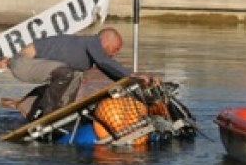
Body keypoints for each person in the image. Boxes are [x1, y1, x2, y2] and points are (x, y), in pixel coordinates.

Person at [9, 28, 144, 119]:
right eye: (115, 49)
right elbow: (104, 62)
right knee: (66, 74)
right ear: (106, 41)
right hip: (23, 63)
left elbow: (108, 69)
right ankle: (46, 113)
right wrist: (132, 75)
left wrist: (129, 82)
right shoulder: (93, 42)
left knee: (76, 76)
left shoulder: (86, 52)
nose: (114, 54)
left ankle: (34, 104)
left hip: (32, 64)